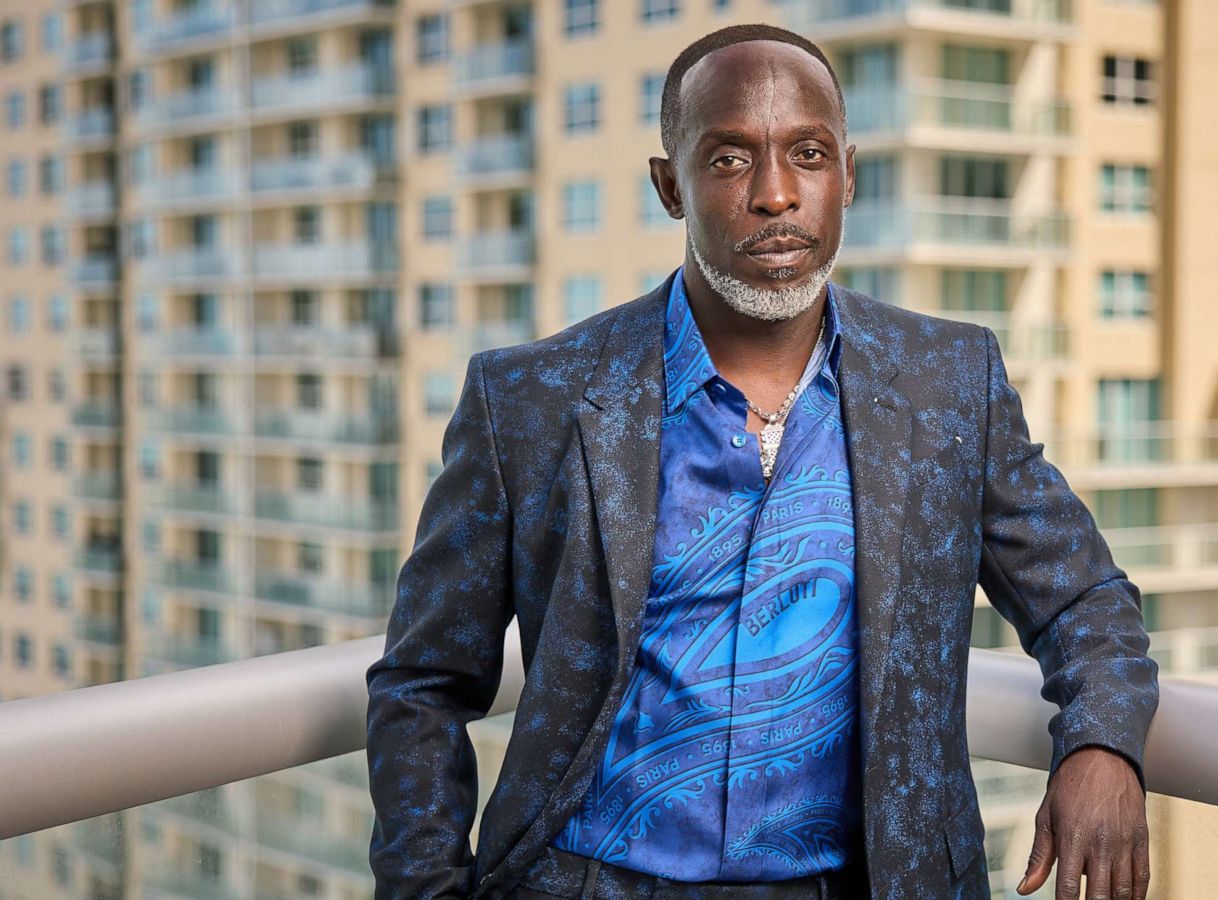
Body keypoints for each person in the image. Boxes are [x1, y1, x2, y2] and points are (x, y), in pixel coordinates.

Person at [365, 22, 1159, 900]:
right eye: (731, 159)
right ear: (671, 186)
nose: (777, 194)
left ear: (849, 175)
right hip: (585, 880)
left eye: (809, 155)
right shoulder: (530, 400)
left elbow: (1085, 597)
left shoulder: (948, 386)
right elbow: (425, 682)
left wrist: (1101, 742)